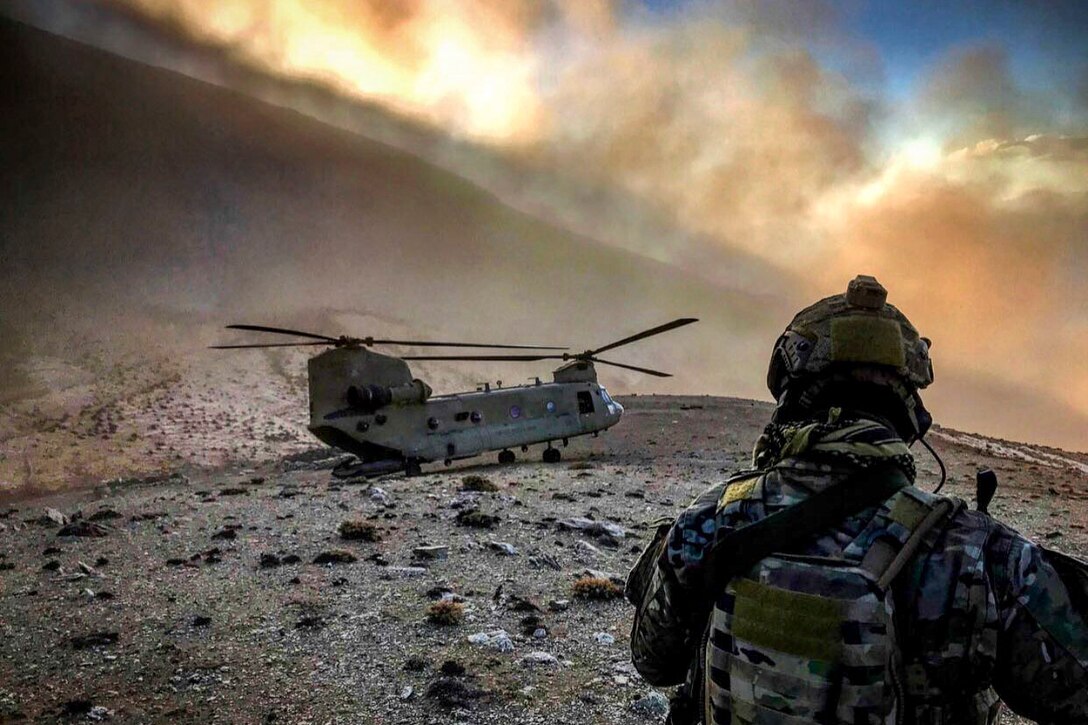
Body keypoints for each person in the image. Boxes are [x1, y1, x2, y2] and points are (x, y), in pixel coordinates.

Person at [626, 275, 1088, 724]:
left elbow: (654, 663)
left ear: (791, 398)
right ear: (911, 415)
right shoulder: (984, 556)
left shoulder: (712, 517)